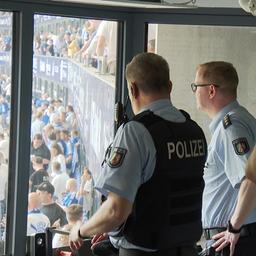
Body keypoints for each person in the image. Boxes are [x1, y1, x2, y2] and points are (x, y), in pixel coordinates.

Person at [69, 52, 207, 256]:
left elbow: (116, 210)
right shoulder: (194, 130)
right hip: (187, 248)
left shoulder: (136, 132)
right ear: (169, 86)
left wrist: (80, 231)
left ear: (132, 89)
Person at [191, 61, 256, 256]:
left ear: (211, 90)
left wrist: (234, 226)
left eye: (196, 87)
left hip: (235, 242)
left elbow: (250, 179)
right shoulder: (242, 119)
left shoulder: (231, 128)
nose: (194, 91)